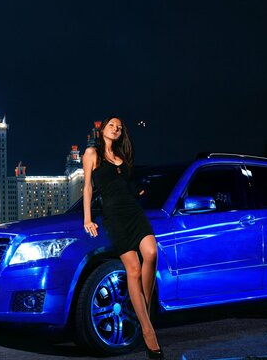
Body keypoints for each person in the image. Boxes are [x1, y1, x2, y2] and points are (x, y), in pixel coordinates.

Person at [82, 116, 164, 359]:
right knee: (134, 269)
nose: (115, 129)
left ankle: (143, 313)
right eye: (111, 126)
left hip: (134, 211)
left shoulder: (123, 157)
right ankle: (149, 334)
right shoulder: (91, 153)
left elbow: (127, 186)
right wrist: (87, 218)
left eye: (119, 128)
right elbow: (87, 187)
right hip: (114, 216)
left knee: (151, 253)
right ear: (102, 130)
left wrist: (139, 190)